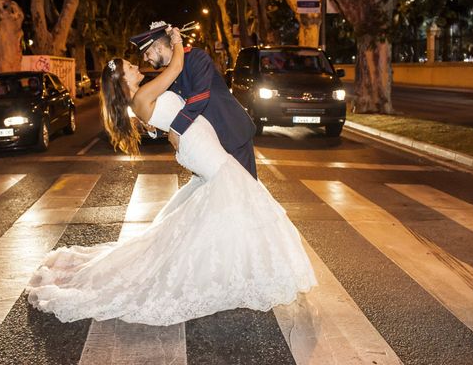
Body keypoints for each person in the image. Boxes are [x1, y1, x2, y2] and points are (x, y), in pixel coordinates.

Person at [26, 26, 317, 326]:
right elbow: (176, 70)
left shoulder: (151, 88)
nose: (139, 63)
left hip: (202, 143)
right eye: (130, 66)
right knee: (237, 197)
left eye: (144, 54)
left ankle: (235, 265)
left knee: (228, 201)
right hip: (201, 148)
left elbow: (189, 95)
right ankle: (239, 269)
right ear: (123, 80)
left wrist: (169, 126)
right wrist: (177, 42)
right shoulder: (144, 93)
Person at [137, 21, 258, 179]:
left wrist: (176, 129)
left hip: (232, 134)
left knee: (244, 192)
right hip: (208, 145)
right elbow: (175, 109)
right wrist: (156, 130)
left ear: (159, 47)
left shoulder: (196, 57)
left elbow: (200, 96)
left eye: (147, 53)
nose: (146, 59)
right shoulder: (169, 74)